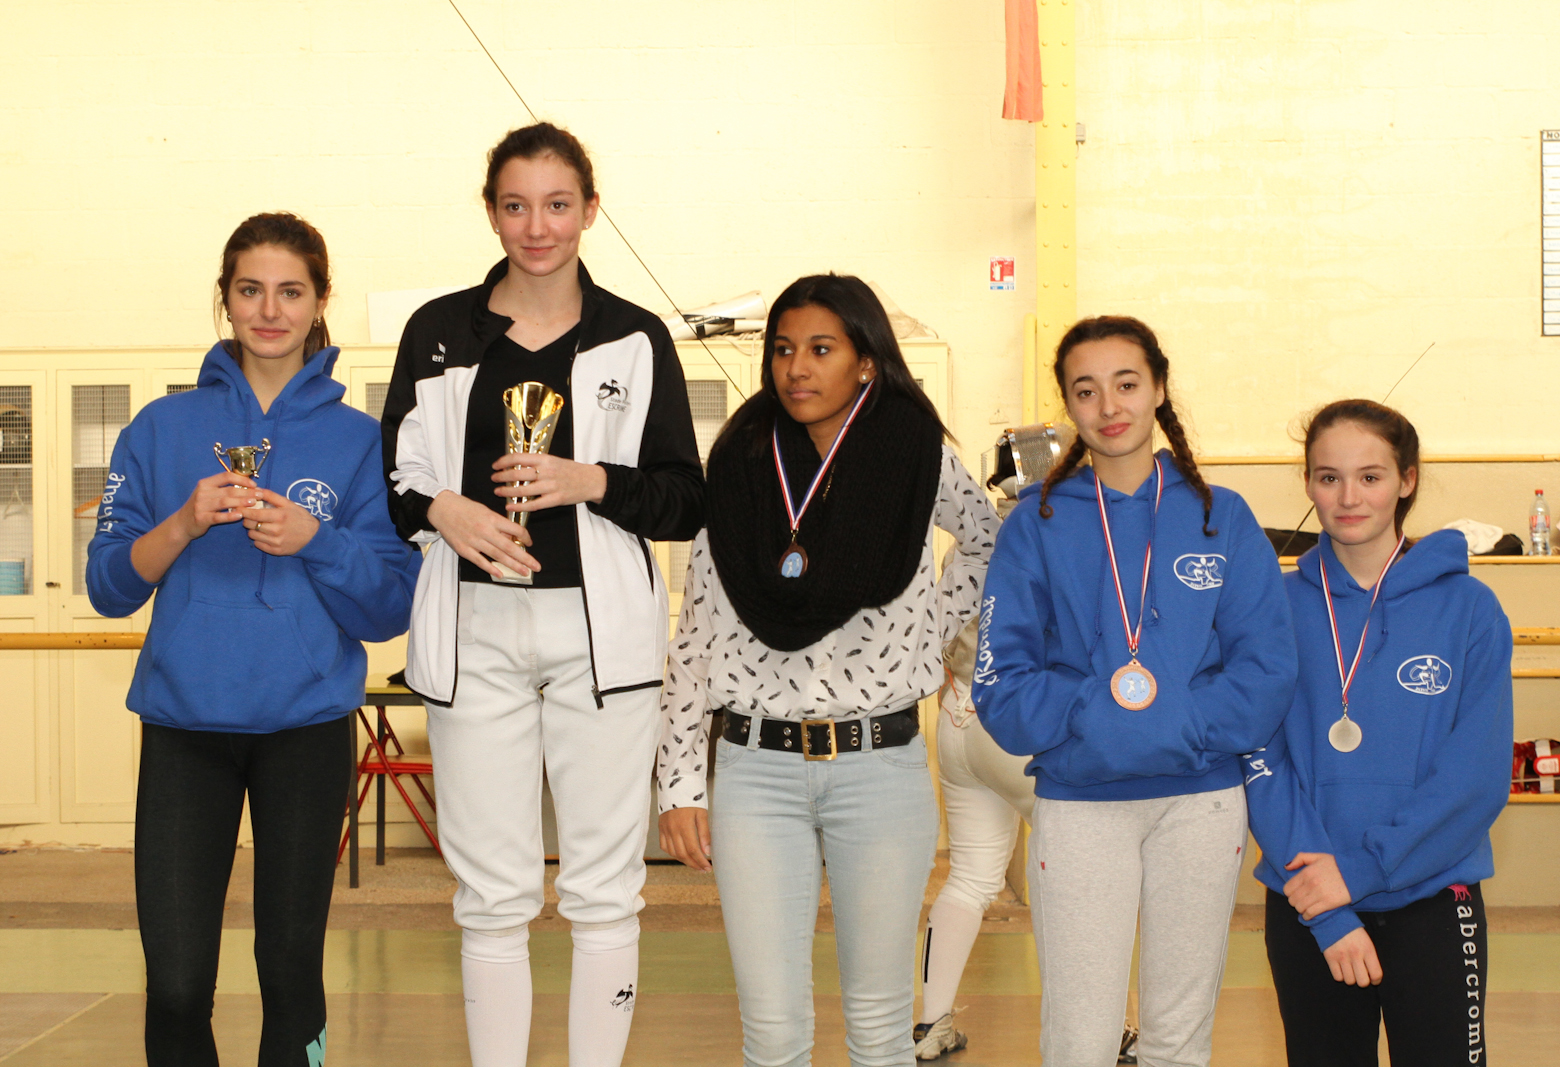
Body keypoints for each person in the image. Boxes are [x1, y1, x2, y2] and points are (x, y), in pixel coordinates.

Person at [381, 122, 704, 1067]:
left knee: (604, 889)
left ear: (590, 210)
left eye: (558, 205)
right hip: (472, 632)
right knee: (490, 895)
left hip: (600, 641)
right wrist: (445, 509)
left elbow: (684, 499)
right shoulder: (437, 331)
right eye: (516, 205)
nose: (537, 227)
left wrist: (587, 480)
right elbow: (395, 483)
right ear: (491, 212)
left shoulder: (636, 337)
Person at [86, 212, 419, 1066]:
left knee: (290, 970)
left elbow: (390, 606)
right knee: (176, 983)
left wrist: (318, 541)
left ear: (320, 301)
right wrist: (183, 523)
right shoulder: (160, 428)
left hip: (305, 731)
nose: (270, 310)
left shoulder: (360, 441)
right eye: (250, 290)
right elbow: (109, 587)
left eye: (290, 291)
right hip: (184, 727)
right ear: (225, 299)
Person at [656, 273, 998, 1067]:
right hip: (755, 767)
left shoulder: (916, 454)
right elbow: (696, 630)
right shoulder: (738, 460)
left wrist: (930, 631)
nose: (797, 367)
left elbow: (989, 539)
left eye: (820, 349)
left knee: (879, 1028)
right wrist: (678, 782)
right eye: (783, 350)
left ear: (866, 360)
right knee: (772, 1031)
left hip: (880, 765)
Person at [972, 315, 1296, 1067]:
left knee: (1178, 1038)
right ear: (1068, 405)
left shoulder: (1221, 515)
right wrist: (1091, 711)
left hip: (1201, 800)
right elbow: (1001, 680)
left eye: (1126, 383)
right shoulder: (1036, 524)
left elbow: (1267, 668)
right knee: (1079, 1038)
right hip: (1081, 802)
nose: (1109, 406)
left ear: (1158, 389)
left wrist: (1180, 717)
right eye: (1086, 390)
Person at [1243, 399, 1512, 1067]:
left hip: (1433, 899)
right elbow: (1260, 760)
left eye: (1370, 476)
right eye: (1328, 477)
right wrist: (1330, 909)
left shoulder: (1470, 609)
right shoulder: (1274, 607)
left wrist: (1360, 873)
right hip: (1309, 904)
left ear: (1406, 480)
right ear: (1308, 484)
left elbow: (1475, 779)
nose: (1349, 497)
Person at [915, 451, 1139, 1065]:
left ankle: (931, 1022)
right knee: (1082, 874)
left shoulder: (976, 539)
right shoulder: (1067, 537)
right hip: (1022, 725)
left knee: (970, 876)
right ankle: (1107, 1028)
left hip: (958, 719)